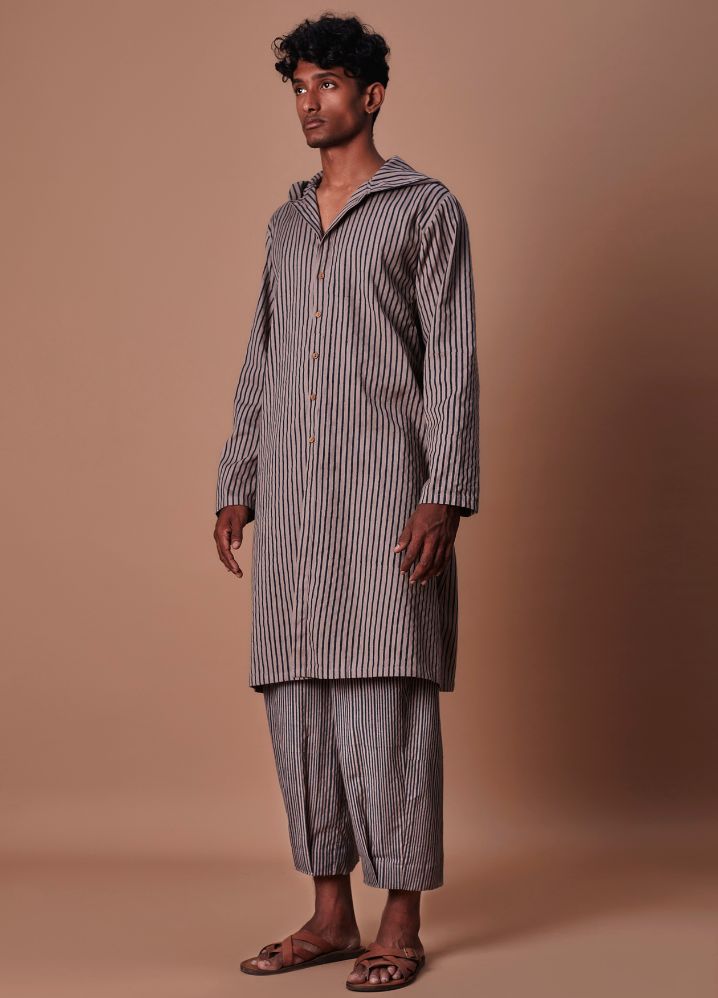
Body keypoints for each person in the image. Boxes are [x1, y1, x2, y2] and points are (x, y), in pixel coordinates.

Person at [213, 12, 479, 991]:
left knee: (387, 702)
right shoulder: (285, 224)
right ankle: (330, 916)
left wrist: (444, 493)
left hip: (386, 496)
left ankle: (399, 923)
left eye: (326, 83)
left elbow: (451, 358)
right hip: (294, 504)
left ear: (371, 94)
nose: (309, 102)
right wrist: (238, 478)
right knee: (300, 707)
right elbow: (263, 357)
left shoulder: (426, 209)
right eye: (299, 86)